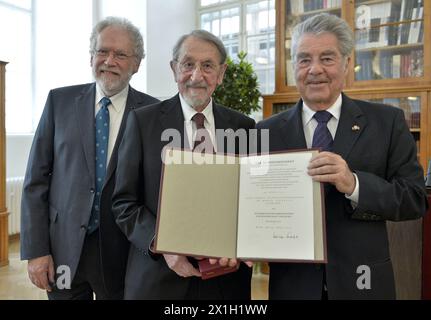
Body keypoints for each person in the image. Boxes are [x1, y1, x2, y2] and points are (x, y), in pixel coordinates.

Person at [256, 13, 428, 299]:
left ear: (347, 63)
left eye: (327, 58)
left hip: (364, 282)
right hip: (292, 287)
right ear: (293, 66)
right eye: (304, 59)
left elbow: (414, 199)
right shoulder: (266, 132)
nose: (314, 70)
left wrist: (355, 184)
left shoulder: (388, 122)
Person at [20, 16, 159, 300]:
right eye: (102, 51)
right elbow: (35, 181)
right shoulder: (59, 102)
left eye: (121, 54)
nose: (109, 60)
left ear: (137, 64)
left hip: (123, 254)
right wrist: (36, 251)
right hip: (63, 251)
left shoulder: (154, 113)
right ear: (91, 57)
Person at [112, 29, 255, 299]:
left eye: (208, 66)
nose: (197, 76)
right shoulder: (142, 123)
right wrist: (163, 246)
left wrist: (247, 242)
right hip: (158, 280)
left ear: (221, 73)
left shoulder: (244, 128)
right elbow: (124, 203)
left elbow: (252, 202)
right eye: (188, 64)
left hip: (226, 283)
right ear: (174, 68)